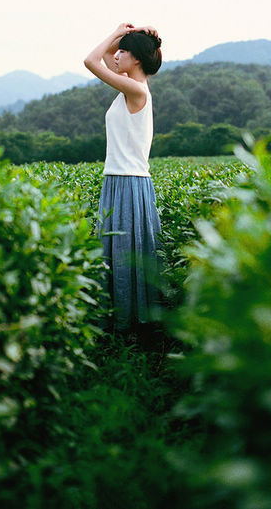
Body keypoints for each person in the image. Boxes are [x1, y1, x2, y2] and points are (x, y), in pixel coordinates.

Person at [84, 22, 163, 338]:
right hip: (118, 179)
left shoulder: (136, 89)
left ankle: (130, 328)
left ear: (138, 60)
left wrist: (116, 32)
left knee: (126, 252)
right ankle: (124, 325)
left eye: (124, 51)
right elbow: (101, 60)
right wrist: (120, 38)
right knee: (118, 252)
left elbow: (91, 61)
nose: (116, 55)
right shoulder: (127, 88)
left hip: (129, 181)